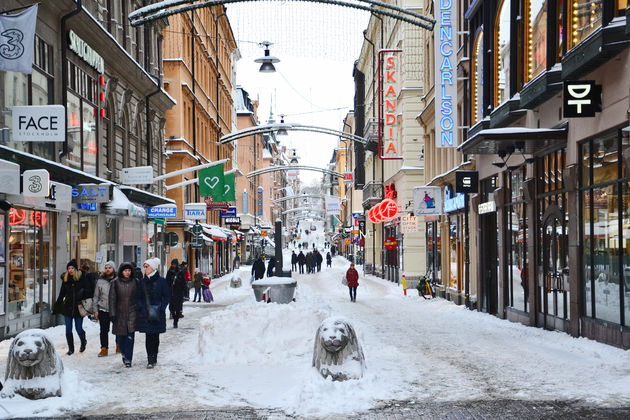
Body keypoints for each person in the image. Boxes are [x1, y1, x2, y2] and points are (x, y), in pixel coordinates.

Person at [137, 258, 169, 369]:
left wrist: (162, 308)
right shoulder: (142, 282)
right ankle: (150, 359)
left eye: (147, 266)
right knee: (148, 336)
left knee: (155, 337)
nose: (145, 269)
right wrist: (141, 307)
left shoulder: (162, 281)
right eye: (144, 266)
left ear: (153, 268)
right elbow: (139, 297)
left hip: (158, 314)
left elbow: (166, 296)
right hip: (146, 314)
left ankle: (154, 356)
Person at [54, 260, 89, 355]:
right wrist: (57, 305)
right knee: (68, 329)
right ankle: (71, 349)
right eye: (69, 268)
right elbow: (62, 294)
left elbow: (87, 292)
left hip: (78, 307)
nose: (70, 270)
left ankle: (83, 341)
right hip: (68, 307)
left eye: (72, 268)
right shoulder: (65, 280)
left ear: (76, 269)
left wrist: (84, 300)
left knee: (78, 328)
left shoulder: (81, 279)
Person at [109, 262, 139, 368]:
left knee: (130, 337)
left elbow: (139, 297)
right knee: (120, 338)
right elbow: (112, 299)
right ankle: (123, 352)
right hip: (119, 313)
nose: (127, 273)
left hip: (132, 313)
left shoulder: (135, 282)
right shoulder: (115, 283)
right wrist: (112, 314)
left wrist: (138, 310)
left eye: (129, 271)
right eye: (125, 271)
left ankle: (128, 359)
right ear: (121, 271)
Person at [93, 261, 116, 357]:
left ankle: (119, 345)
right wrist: (95, 310)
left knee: (118, 329)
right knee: (103, 330)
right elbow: (96, 296)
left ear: (113, 269)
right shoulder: (100, 281)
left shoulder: (118, 280)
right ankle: (104, 348)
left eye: (109, 268)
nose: (107, 269)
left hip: (116, 309)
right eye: (106, 268)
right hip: (103, 309)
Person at [169, 262, 188, 328]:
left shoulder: (180, 273)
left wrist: (186, 293)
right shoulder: (169, 272)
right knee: (171, 308)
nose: (173, 265)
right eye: (172, 264)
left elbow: (184, 283)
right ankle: (174, 317)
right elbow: (166, 282)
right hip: (171, 293)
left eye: (174, 264)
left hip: (179, 293)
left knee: (177, 309)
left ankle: (175, 321)